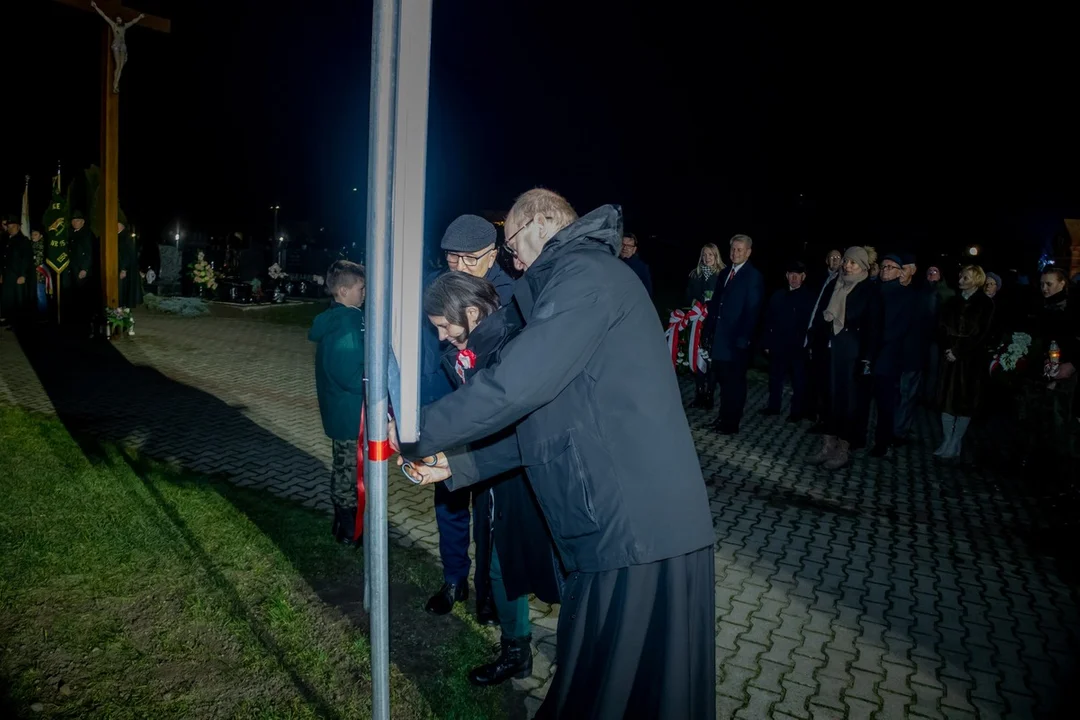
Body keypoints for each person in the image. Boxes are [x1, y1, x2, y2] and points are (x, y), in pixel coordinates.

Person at [401, 190, 715, 720]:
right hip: (636, 528)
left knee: (609, 695)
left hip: (633, 528)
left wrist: (415, 429)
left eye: (513, 243)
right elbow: (549, 425)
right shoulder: (572, 282)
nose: (510, 259)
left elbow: (515, 387)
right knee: (633, 694)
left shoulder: (585, 278)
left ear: (543, 224)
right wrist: (462, 464)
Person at [420, 271, 562, 686]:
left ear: (471, 313)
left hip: (531, 479)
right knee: (501, 566)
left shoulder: (513, 346)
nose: (443, 337)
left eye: (445, 326)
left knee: (555, 571)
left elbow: (517, 425)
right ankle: (516, 652)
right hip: (492, 477)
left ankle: (581, 664)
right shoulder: (472, 349)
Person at [424, 213, 517, 623]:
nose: (459, 268)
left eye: (469, 259)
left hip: (493, 424)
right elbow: (431, 351)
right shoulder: (436, 289)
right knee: (449, 502)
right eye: (451, 259)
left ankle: (493, 593)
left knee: (492, 513)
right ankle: (453, 579)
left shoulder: (513, 295)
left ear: (493, 255)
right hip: (449, 410)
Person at [308, 260, 367, 545]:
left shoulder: (337, 318)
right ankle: (349, 529)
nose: (364, 292)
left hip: (341, 410)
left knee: (344, 468)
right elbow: (349, 373)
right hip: (349, 413)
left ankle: (342, 525)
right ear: (343, 291)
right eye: (360, 287)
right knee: (349, 472)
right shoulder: (347, 322)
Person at [806, 246, 879, 470]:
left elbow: (873, 328)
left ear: (863, 266)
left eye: (852, 263)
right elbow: (822, 316)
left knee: (848, 403)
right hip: (828, 353)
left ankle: (843, 450)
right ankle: (827, 446)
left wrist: (867, 359)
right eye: (846, 262)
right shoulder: (835, 285)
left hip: (851, 356)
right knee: (827, 398)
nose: (847, 266)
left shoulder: (869, 290)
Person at [705, 234, 764, 434]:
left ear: (748, 252)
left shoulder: (753, 276)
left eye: (740, 250)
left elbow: (752, 310)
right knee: (722, 381)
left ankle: (731, 424)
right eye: (732, 249)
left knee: (735, 384)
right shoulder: (725, 273)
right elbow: (716, 304)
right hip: (721, 339)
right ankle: (722, 417)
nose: (735, 253)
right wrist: (708, 328)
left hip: (737, 341)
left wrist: (743, 339)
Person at [935, 265, 995, 464]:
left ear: (976, 280)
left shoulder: (985, 304)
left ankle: (955, 441)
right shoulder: (952, 301)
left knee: (965, 403)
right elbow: (941, 327)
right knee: (946, 401)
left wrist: (958, 350)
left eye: (965, 277)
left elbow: (981, 334)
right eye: (960, 276)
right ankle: (947, 440)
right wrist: (948, 348)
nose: (960, 280)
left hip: (970, 361)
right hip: (949, 360)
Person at [869, 254, 913, 456]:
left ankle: (882, 443)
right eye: (884, 266)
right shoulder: (874, 290)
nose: (885, 270)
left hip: (888, 357)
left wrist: (876, 344)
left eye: (891, 267)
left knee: (885, 404)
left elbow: (898, 329)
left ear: (900, 271)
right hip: (869, 354)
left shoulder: (905, 296)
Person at [762, 260, 814, 421]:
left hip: (798, 348)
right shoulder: (778, 295)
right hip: (778, 345)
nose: (794, 278)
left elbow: (812, 325)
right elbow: (768, 320)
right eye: (791, 274)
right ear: (786, 276)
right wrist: (766, 342)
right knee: (775, 378)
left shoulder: (810, 298)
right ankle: (773, 407)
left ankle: (796, 412)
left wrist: (809, 345)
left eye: (797, 275)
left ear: (803, 276)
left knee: (799, 381)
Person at [686, 242, 724, 408]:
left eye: (711, 255)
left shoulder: (723, 275)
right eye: (705, 255)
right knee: (698, 357)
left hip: (714, 324)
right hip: (698, 322)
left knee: (711, 360)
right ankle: (699, 394)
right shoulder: (695, 274)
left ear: (716, 257)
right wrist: (695, 303)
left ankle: (709, 395)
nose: (707, 258)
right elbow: (688, 295)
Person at [68, 210, 100, 338]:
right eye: (73, 220)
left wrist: (85, 269)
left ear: (83, 222)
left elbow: (88, 253)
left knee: (85, 300)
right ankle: (78, 326)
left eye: (77, 220)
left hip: (83, 272)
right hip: (73, 269)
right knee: (76, 299)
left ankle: (88, 328)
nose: (75, 223)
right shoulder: (71, 233)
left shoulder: (87, 234)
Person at [2, 215, 34, 327]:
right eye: (9, 227)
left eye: (13, 227)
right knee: (9, 298)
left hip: (18, 275)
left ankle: (19, 323)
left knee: (19, 299)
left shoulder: (23, 241)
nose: (10, 229)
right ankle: (10, 319)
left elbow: (26, 259)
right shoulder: (8, 240)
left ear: (18, 227)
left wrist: (23, 275)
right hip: (8, 274)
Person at [117, 222, 143, 309]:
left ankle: (122, 313)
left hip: (125, 268)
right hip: (123, 267)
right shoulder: (121, 235)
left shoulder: (126, 236)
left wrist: (124, 269)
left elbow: (127, 254)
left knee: (123, 292)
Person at [619, 232, 653, 297]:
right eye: (622, 244)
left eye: (629, 246)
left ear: (634, 249)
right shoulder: (613, 261)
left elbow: (648, 291)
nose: (625, 248)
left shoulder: (641, 267)